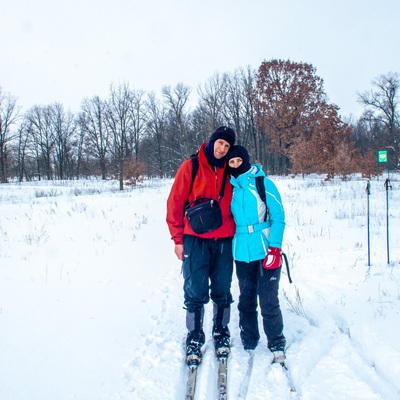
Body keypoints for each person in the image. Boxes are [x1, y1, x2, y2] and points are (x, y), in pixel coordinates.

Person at [166, 126, 236, 366]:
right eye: (220, 143)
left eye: (227, 146)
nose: (222, 149)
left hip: (224, 239)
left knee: (222, 289)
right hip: (195, 239)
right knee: (195, 290)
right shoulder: (191, 166)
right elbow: (174, 202)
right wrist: (177, 239)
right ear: (212, 141)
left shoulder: (232, 170)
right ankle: (195, 336)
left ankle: (221, 331)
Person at [226, 145, 287, 364]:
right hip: (242, 251)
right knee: (246, 297)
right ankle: (249, 340)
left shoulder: (263, 183)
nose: (235, 165)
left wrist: (275, 247)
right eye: (231, 162)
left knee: (268, 298)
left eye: (238, 161)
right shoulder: (230, 188)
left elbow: (279, 216)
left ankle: (276, 341)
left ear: (246, 160)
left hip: (265, 249)